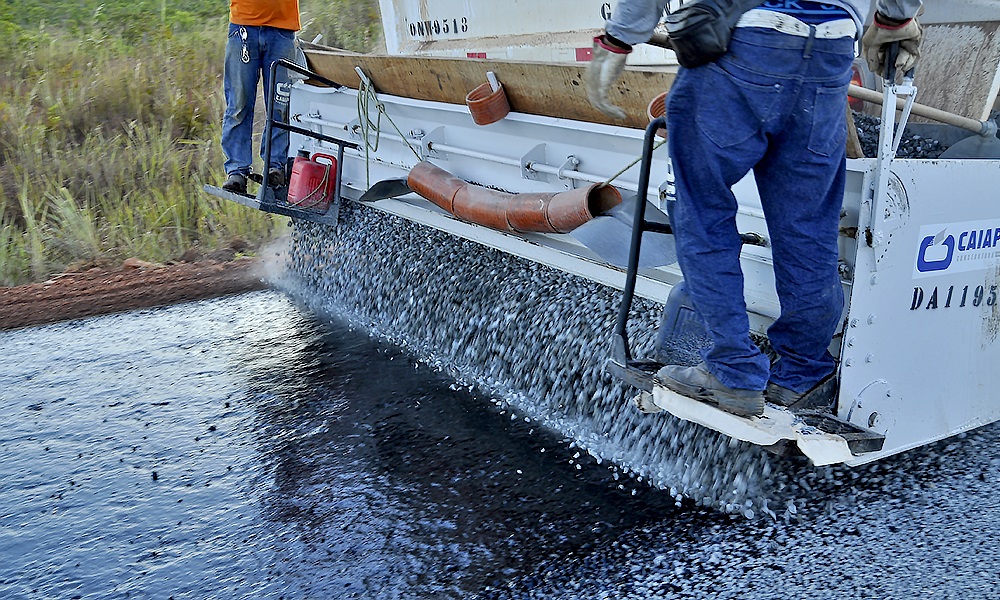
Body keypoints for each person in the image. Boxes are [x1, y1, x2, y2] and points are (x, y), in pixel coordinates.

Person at [586, 0, 923, 417]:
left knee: (700, 208)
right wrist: (895, 18)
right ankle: (803, 371)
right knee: (808, 225)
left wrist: (619, 37)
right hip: (830, 54)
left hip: (742, 40)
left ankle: (733, 370)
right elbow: (894, 13)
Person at [221, 0, 301, 194]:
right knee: (239, 102)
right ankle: (237, 171)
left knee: (280, 104)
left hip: (282, 28)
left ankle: (276, 166)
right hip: (244, 25)